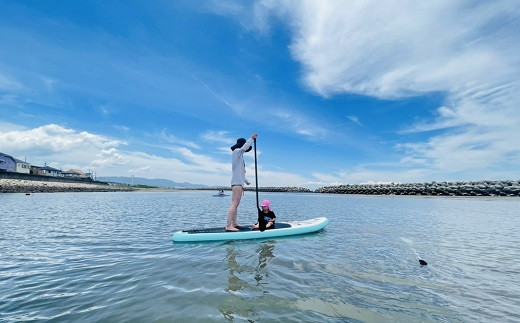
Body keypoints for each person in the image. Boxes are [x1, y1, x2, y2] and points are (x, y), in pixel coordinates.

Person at [226, 133, 258, 231]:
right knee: (234, 204)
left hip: (238, 183)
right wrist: (251, 139)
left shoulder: (240, 158)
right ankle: (228, 226)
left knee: (236, 204)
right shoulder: (236, 152)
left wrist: (246, 181)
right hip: (236, 184)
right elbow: (244, 148)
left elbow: (241, 173)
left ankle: (234, 223)